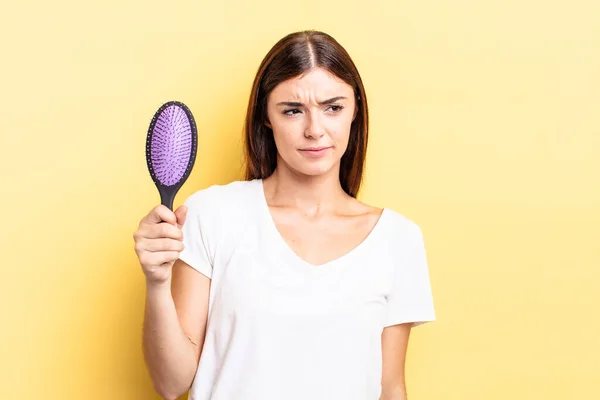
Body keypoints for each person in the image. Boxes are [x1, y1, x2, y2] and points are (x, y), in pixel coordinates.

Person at [133, 30, 436, 400]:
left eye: (333, 107)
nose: (314, 130)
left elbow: (390, 388)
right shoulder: (211, 215)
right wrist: (157, 282)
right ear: (266, 116)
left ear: (355, 109)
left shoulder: (397, 239)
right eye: (293, 110)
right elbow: (170, 384)